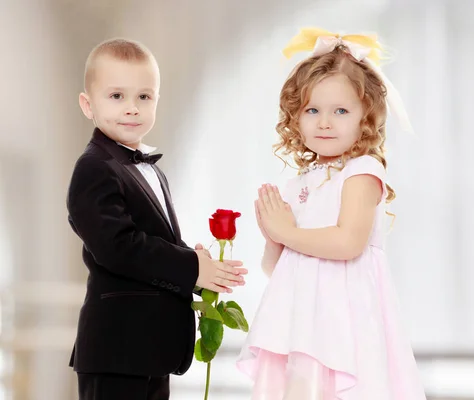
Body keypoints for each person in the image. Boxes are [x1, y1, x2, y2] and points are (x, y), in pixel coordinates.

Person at [237, 28, 426, 400]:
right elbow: (279, 269)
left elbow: (348, 242)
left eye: (340, 110)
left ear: (365, 118)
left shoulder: (362, 172)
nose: (325, 122)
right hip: (301, 322)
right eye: (312, 110)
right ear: (295, 117)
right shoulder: (300, 183)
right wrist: (272, 236)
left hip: (344, 322)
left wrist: (288, 232)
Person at [66, 38, 247, 400]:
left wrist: (199, 267)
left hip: (150, 347)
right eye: (116, 96)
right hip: (117, 347)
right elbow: (118, 247)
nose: (131, 108)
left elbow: (154, 242)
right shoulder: (94, 167)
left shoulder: (150, 169)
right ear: (88, 105)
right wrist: (188, 266)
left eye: (144, 97)